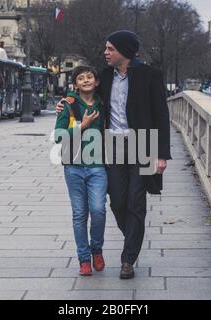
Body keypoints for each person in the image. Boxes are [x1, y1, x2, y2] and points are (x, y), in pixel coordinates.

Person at [57, 30, 171, 279]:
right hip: (112, 145)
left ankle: (128, 259)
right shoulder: (105, 76)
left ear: (125, 51)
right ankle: (134, 235)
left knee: (136, 202)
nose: (106, 53)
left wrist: (162, 155)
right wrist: (66, 103)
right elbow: (85, 94)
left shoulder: (150, 75)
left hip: (144, 144)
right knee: (118, 202)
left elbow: (162, 115)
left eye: (110, 49)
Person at [54, 66, 107, 276]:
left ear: (97, 81)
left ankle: (97, 249)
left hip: (97, 167)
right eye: (81, 78)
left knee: (98, 210)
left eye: (90, 77)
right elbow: (58, 136)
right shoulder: (69, 104)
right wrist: (82, 126)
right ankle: (84, 259)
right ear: (75, 84)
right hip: (74, 167)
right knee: (79, 214)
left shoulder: (104, 103)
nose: (86, 80)